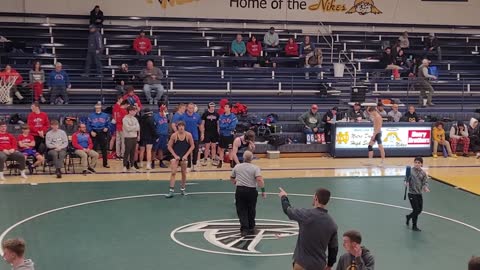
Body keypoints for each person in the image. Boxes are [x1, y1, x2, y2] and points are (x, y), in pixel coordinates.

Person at [278, 187, 338, 270]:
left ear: (316, 198)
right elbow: (333, 248)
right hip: (319, 265)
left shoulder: (305, 214)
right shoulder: (332, 224)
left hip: (302, 264)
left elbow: (287, 210)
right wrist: (330, 265)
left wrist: (284, 197)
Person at [230, 150, 266, 236]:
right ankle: (251, 226)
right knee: (251, 209)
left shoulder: (237, 167)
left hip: (240, 190)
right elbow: (259, 179)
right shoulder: (255, 168)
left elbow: (232, 178)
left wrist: (235, 182)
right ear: (252, 158)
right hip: (251, 191)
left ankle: (244, 228)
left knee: (241, 209)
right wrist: (263, 191)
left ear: (243, 157)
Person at [166, 121, 195, 198]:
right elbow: (169, 146)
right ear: (177, 127)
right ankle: (171, 190)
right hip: (175, 156)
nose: (181, 127)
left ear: (184, 127)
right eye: (179, 126)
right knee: (173, 172)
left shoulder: (188, 135)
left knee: (184, 173)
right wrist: (175, 156)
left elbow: (192, 146)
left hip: (184, 156)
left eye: (182, 126)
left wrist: (186, 155)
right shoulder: (174, 135)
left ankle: (183, 189)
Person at [405, 157, 430, 231]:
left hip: (419, 194)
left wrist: (425, 187)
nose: (417, 164)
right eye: (415, 162)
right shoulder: (410, 171)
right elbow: (406, 179)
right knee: (416, 210)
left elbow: (425, 182)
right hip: (412, 193)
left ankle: (409, 216)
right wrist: (406, 182)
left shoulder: (423, 173)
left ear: (421, 164)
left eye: (419, 163)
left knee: (419, 210)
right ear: (414, 163)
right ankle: (414, 226)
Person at [87, 102, 111, 168]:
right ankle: (93, 164)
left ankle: (105, 163)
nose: (97, 109)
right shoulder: (91, 115)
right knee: (94, 149)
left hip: (102, 132)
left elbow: (108, 124)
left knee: (104, 149)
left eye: (98, 107)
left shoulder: (105, 115)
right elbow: (88, 125)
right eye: (96, 107)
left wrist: (107, 127)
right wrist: (91, 131)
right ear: (95, 107)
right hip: (94, 132)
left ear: (101, 107)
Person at [183, 103, 204, 171]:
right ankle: (189, 166)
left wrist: (202, 134)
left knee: (195, 151)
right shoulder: (183, 116)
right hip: (186, 137)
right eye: (189, 108)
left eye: (192, 108)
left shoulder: (197, 116)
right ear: (187, 108)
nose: (191, 109)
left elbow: (200, 125)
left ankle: (194, 165)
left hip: (195, 136)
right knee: (188, 151)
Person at [217, 103, 238, 168]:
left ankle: (231, 162)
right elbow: (220, 125)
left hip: (230, 135)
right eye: (224, 107)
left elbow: (232, 126)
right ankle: (220, 162)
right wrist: (227, 126)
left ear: (230, 108)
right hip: (223, 135)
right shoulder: (221, 116)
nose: (225, 108)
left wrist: (225, 126)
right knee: (221, 149)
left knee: (230, 149)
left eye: (226, 107)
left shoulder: (233, 116)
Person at [200, 102, 220, 166]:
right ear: (208, 107)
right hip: (207, 132)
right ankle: (205, 159)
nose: (212, 107)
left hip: (214, 132)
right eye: (211, 106)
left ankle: (213, 159)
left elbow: (218, 124)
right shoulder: (205, 114)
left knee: (214, 147)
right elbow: (202, 124)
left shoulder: (217, 114)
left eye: (213, 106)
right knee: (207, 146)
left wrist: (218, 132)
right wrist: (202, 133)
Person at [122, 106, 140, 172]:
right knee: (127, 152)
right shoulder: (125, 119)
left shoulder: (135, 119)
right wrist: (134, 127)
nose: (134, 112)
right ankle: (124, 165)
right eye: (133, 111)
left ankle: (132, 165)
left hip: (134, 137)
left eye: (135, 111)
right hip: (128, 137)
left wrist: (133, 128)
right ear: (130, 111)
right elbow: (127, 128)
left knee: (133, 152)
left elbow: (138, 127)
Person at [153, 102, 169, 168]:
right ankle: (152, 162)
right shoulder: (156, 116)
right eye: (164, 107)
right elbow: (154, 126)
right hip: (158, 134)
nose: (165, 108)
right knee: (154, 149)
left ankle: (161, 162)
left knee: (161, 149)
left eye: (165, 107)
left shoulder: (166, 115)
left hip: (164, 134)